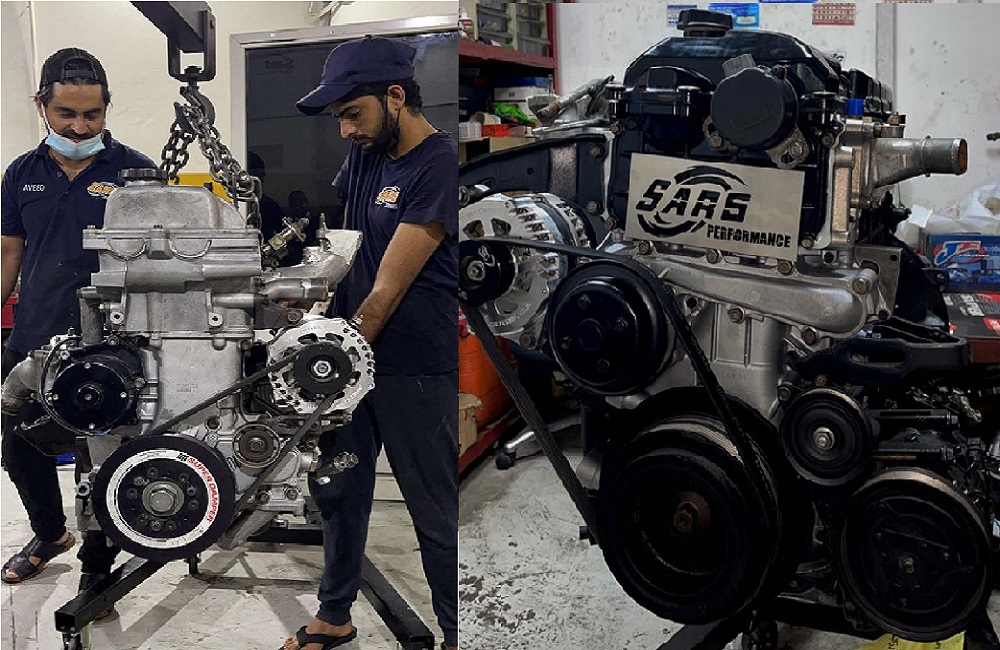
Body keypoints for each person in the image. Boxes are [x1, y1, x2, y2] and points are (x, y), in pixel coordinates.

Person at [281, 36, 458, 650]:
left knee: (433, 510)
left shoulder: (438, 165)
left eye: (352, 114)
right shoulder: (365, 155)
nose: (346, 130)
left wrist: (330, 356)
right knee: (339, 489)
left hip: (413, 367)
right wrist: (307, 297)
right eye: (339, 118)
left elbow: (387, 289)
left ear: (396, 96)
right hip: (353, 362)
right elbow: (345, 251)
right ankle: (335, 615)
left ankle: (456, 631)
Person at [0, 48, 156, 597]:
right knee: (17, 444)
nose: (80, 126)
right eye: (66, 113)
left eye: (92, 114)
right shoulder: (21, 174)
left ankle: (97, 561)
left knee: (102, 455)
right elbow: (9, 253)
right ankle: (50, 534)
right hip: (34, 334)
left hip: (110, 342)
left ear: (106, 108)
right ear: (41, 105)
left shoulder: (136, 173)